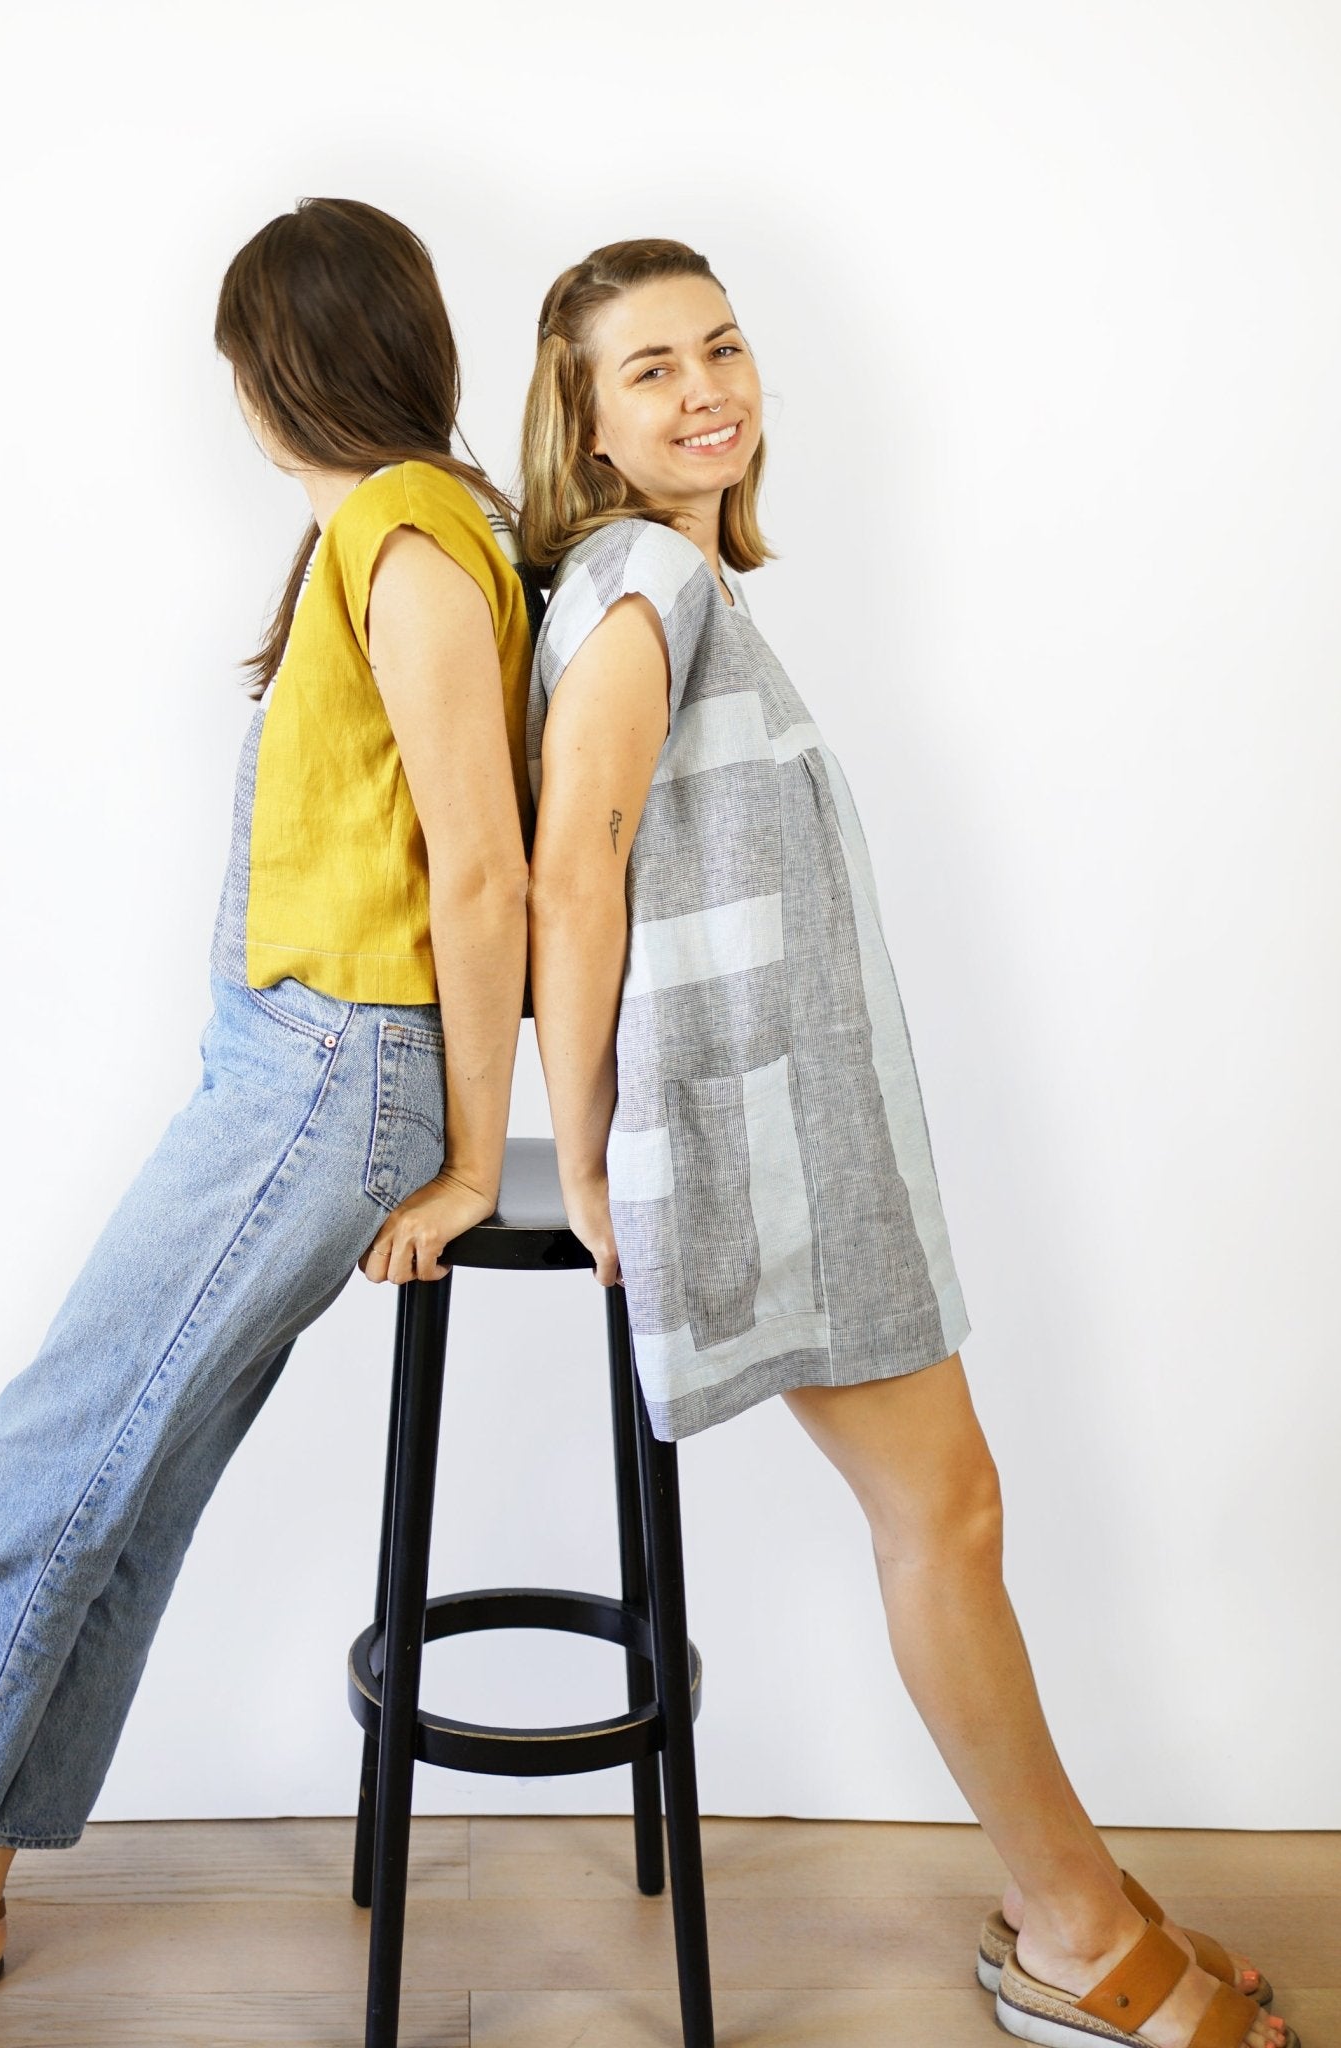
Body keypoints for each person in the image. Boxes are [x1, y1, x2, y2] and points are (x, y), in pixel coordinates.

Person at [0, 195, 535, 1994]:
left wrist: (473, 1161)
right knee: (120, 1484)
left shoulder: (405, 545)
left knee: (49, 1454)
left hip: (333, 1073)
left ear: (272, 374)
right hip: (297, 1067)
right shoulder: (379, 536)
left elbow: (484, 873)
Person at [520, 238, 1292, 2048]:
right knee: (940, 1515)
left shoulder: (678, 583)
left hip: (803, 1125)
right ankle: (1073, 1935)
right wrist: (589, 1153)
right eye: (652, 370)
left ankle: (1072, 1896)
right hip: (760, 1139)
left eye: (722, 347)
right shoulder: (644, 581)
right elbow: (572, 862)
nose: (707, 389)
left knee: (948, 1510)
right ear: (587, 425)